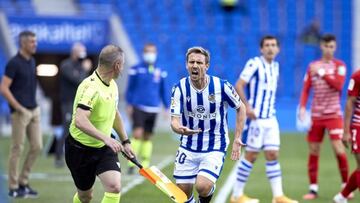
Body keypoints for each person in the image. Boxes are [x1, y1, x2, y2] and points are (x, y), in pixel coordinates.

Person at [170, 46, 246, 203]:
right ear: (186, 65)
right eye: (191, 62)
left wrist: (238, 138)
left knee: (203, 186)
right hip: (188, 146)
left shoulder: (221, 86)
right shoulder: (179, 88)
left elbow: (241, 107)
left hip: (215, 145)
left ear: (207, 66)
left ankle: (207, 192)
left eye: (199, 62)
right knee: (181, 193)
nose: (195, 65)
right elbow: (174, 121)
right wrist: (179, 129)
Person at [230, 36, 298, 203]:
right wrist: (247, 107)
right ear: (261, 49)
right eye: (267, 45)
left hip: (271, 118)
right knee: (251, 155)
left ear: (278, 49)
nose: (270, 48)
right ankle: (236, 195)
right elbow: (238, 85)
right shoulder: (255, 63)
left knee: (273, 154)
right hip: (257, 119)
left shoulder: (275, 66)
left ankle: (278, 196)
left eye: (273, 45)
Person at [65, 45, 134, 203]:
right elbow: (80, 120)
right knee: (85, 197)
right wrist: (107, 139)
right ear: (117, 65)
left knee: (114, 186)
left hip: (103, 148)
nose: (122, 69)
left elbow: (114, 113)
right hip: (79, 150)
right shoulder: (90, 87)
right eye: (122, 65)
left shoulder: (113, 85)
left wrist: (126, 141)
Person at [299, 34, 350, 200]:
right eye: (326, 46)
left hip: (334, 115)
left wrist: (321, 73)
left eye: (332, 47)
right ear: (321, 46)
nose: (329, 49)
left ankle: (346, 187)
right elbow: (306, 88)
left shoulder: (339, 66)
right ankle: (313, 189)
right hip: (316, 115)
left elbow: (338, 85)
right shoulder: (312, 66)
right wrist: (302, 107)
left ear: (335, 48)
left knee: (338, 149)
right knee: (314, 150)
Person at [0, 31, 41, 198]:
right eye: (32, 42)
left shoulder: (32, 61)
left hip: (34, 110)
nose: (34, 44)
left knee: (37, 146)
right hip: (20, 112)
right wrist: (17, 107)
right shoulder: (13, 63)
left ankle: (23, 182)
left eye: (35, 41)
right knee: (17, 148)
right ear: (23, 43)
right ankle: (13, 186)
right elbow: (3, 88)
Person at [125, 43, 169, 173]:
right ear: (143, 53)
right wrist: (129, 104)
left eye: (153, 52)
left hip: (154, 108)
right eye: (148, 51)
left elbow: (164, 91)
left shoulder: (161, 71)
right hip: (138, 106)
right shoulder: (135, 69)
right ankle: (132, 163)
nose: (150, 54)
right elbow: (130, 89)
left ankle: (144, 164)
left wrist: (166, 107)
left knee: (148, 136)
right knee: (137, 133)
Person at [56, 42, 91, 168]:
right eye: (81, 51)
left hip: (79, 102)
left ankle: (79, 156)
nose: (83, 54)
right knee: (67, 128)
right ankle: (59, 156)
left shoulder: (80, 65)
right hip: (68, 102)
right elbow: (78, 80)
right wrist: (85, 69)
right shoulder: (66, 65)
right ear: (74, 52)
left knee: (82, 128)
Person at [333, 69, 360, 203]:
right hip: (358, 126)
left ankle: (342, 197)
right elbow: (350, 102)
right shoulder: (357, 76)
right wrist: (346, 131)